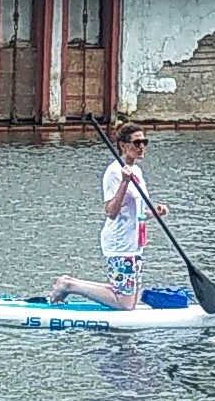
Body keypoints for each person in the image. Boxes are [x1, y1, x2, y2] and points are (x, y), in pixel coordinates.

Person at [38, 124, 166, 310]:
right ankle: (69, 286)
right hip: (119, 242)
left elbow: (137, 214)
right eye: (137, 143)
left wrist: (155, 213)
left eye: (144, 142)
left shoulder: (137, 171)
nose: (142, 146)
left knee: (132, 299)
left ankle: (69, 282)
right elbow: (111, 212)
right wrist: (124, 181)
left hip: (134, 243)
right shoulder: (114, 172)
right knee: (124, 304)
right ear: (123, 145)